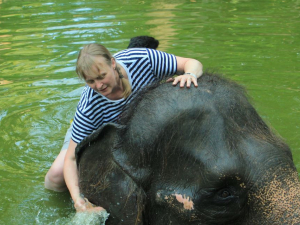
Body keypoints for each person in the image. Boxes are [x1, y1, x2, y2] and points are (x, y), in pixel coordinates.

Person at [45, 38, 203, 212]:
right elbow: (71, 158)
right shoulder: (89, 104)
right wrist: (77, 200)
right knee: (55, 176)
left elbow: (192, 63)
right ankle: (63, 208)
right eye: (91, 81)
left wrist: (190, 75)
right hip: (103, 128)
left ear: (113, 63)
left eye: (101, 76)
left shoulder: (141, 59)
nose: (98, 85)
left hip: (145, 122)